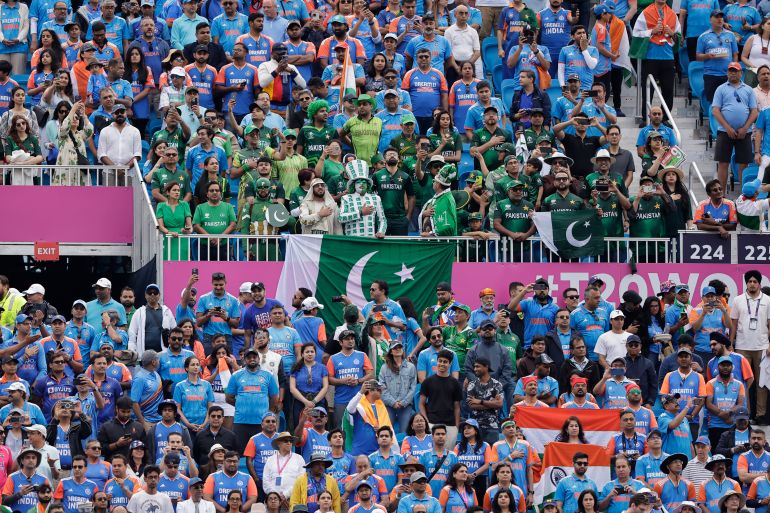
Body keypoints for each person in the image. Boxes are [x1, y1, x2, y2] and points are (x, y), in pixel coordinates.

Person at [730, 270, 770, 423]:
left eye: (755, 281)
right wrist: (731, 344)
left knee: (761, 382)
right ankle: (744, 413)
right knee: (742, 382)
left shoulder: (767, 300)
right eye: (750, 281)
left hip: (762, 346)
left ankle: (760, 415)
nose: (752, 284)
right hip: (742, 346)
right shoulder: (738, 300)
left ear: (759, 283)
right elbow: (733, 324)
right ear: (746, 283)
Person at [712, 62, 758, 188]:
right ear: (727, 73)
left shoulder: (748, 89)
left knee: (744, 164)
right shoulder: (721, 89)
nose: (733, 73)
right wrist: (728, 128)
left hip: (745, 132)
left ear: (741, 73)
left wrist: (745, 128)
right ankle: (721, 194)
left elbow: (754, 111)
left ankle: (744, 195)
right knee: (723, 163)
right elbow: (715, 110)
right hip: (724, 131)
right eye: (730, 70)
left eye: (735, 71)